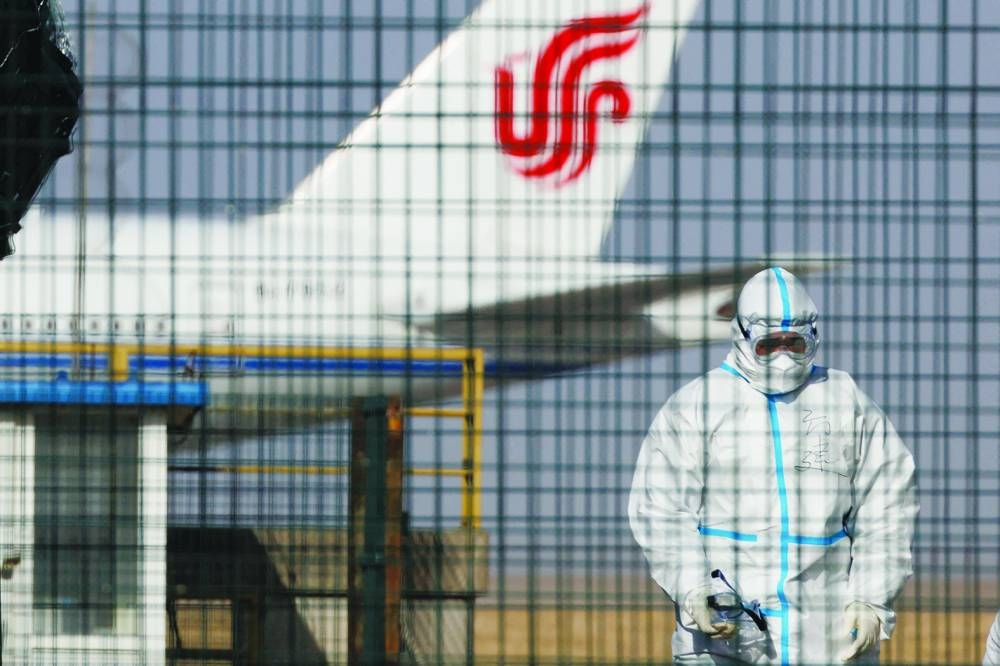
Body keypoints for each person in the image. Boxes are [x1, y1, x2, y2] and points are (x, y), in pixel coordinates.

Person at [628, 267, 917, 664]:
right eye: (770, 345)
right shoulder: (697, 405)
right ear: (744, 336)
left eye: (793, 343)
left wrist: (870, 598)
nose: (783, 356)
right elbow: (661, 510)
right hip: (726, 633)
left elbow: (888, 509)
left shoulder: (846, 402)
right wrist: (694, 587)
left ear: (812, 337)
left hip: (825, 634)